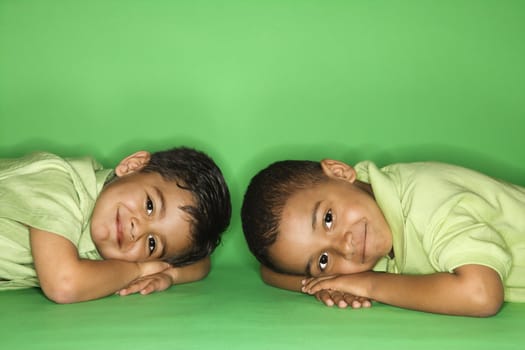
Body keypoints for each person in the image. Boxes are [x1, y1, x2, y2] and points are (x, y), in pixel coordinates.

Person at [241, 158, 525, 317]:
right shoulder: (370, 212)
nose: (345, 246)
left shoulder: (426, 201)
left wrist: (368, 284)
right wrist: (333, 280)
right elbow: (270, 272)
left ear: (340, 172)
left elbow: (482, 295)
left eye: (328, 218)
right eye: (324, 260)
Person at [0, 146, 231, 303]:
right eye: (149, 205)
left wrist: (170, 276)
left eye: (152, 244)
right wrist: (139, 270)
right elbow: (63, 285)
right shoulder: (58, 181)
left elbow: (202, 262)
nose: (137, 230)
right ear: (132, 166)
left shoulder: (109, 247)